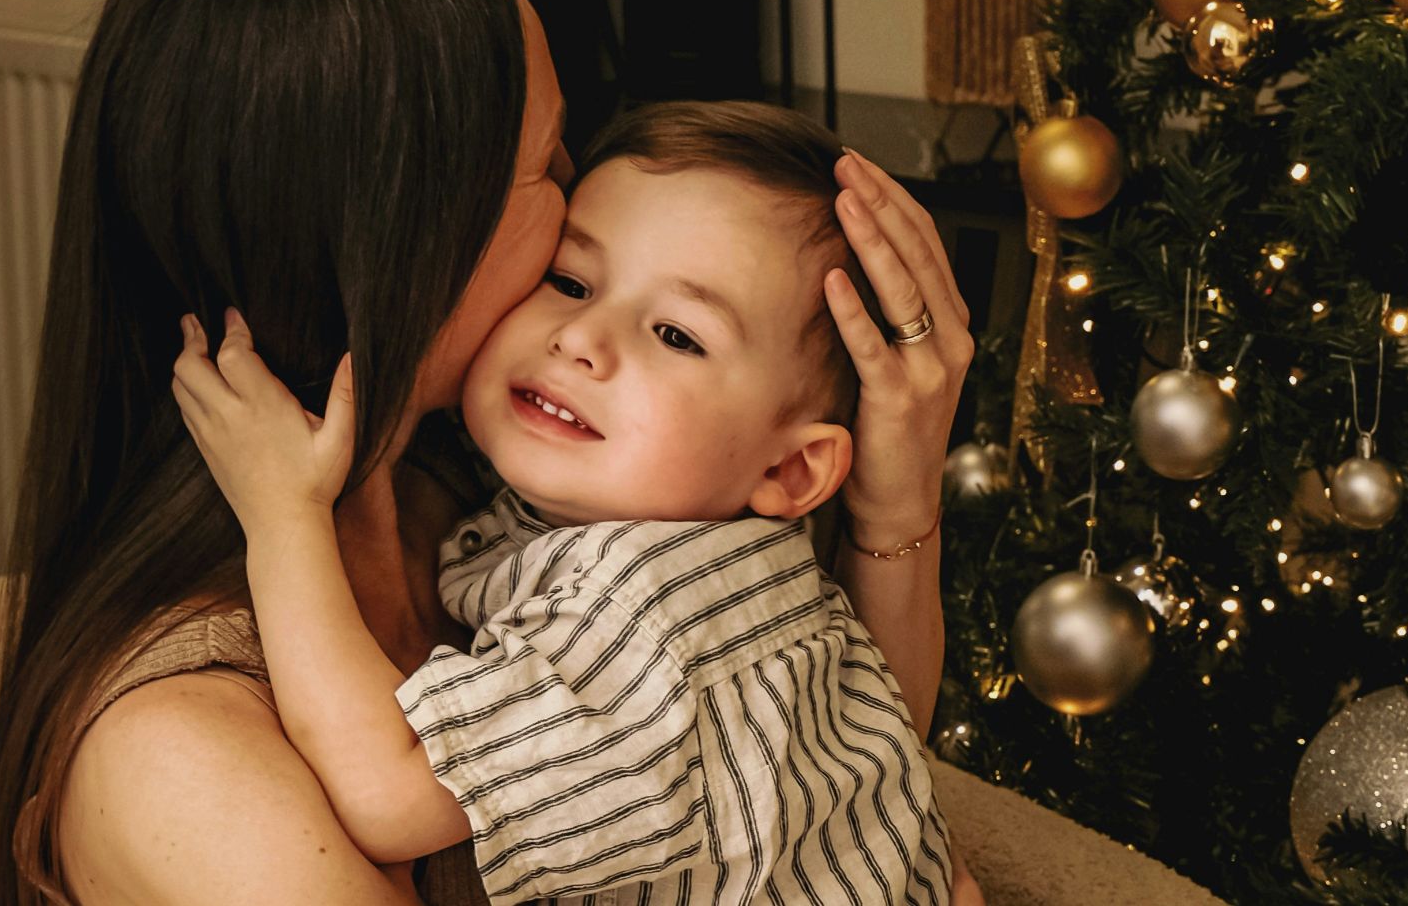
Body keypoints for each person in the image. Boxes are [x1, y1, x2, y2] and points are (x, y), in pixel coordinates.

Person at [0, 0, 972, 906]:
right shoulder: (183, 765)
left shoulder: (497, 496)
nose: (588, 330)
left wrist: (897, 501)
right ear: (401, 250)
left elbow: (827, 757)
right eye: (545, 167)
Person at [170, 102, 952, 904]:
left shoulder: (648, 612)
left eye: (677, 335)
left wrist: (281, 513)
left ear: (789, 472)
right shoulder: (698, 548)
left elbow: (389, 796)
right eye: (571, 281)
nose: (581, 336)